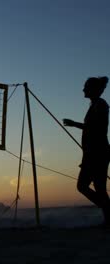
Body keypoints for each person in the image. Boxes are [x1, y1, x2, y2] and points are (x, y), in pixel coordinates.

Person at [63, 76, 110, 227]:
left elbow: (98, 129)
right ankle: (108, 217)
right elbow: (93, 127)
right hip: (92, 153)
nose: (83, 89)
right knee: (97, 188)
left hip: (98, 153)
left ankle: (108, 212)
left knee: (85, 186)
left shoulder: (101, 105)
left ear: (93, 89)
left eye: (85, 87)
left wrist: (74, 124)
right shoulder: (95, 104)